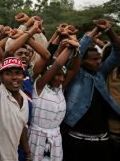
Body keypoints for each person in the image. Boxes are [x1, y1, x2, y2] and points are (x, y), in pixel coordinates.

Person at [62, 19, 120, 161]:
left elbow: (118, 51)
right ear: (82, 61)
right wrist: (95, 30)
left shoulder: (100, 73)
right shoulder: (74, 74)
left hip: (102, 140)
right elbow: (79, 50)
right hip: (77, 141)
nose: (98, 62)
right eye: (93, 59)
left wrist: (109, 30)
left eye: (99, 58)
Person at [0, 26, 30, 161]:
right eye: (8, 74)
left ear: (23, 76)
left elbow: (22, 126)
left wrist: (27, 153)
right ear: (0, 78)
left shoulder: (25, 99)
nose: (14, 77)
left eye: (18, 73)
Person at [28, 37, 79, 161]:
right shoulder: (40, 86)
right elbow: (57, 65)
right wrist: (70, 48)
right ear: (48, 74)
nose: (61, 79)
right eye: (58, 75)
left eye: (63, 76)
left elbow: (73, 69)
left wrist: (77, 51)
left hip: (55, 138)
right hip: (36, 137)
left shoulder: (60, 89)